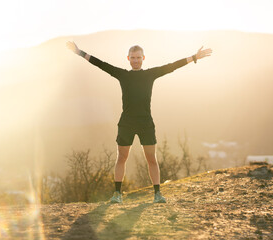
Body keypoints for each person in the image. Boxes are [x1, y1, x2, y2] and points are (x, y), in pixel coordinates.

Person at [66, 41, 212, 203]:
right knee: (121, 158)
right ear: (128, 58)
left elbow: (172, 66)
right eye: (133, 58)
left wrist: (194, 57)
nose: (135, 60)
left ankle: (157, 195)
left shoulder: (149, 74)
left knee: (152, 159)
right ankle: (117, 195)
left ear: (143, 58)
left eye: (138, 58)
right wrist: (79, 52)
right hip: (126, 122)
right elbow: (101, 64)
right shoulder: (123, 75)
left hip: (145, 123)